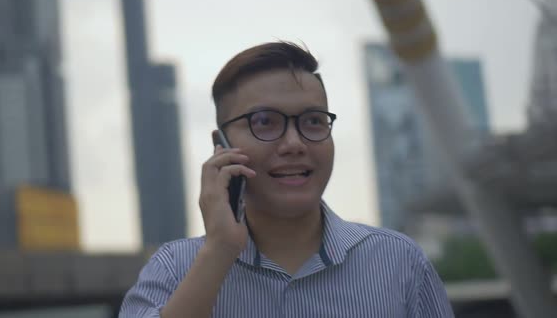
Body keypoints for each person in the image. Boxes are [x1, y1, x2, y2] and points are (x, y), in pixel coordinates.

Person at [119, 41, 454, 317]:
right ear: (221, 145)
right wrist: (220, 250)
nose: (294, 143)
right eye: (264, 122)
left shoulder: (398, 262)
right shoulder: (174, 269)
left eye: (312, 121)